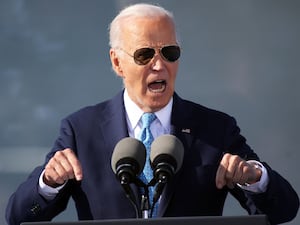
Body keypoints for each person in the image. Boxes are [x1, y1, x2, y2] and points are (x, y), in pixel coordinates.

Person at [6, 3, 299, 225]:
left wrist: (254, 176)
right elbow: (18, 216)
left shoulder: (215, 129)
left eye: (169, 52)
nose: (159, 66)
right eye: (145, 54)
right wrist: (49, 183)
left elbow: (284, 210)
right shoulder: (81, 129)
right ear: (117, 62)